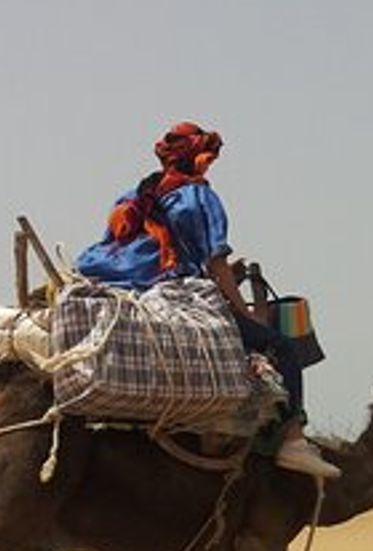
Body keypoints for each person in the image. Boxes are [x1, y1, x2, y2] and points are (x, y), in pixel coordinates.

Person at [75, 121, 337, 479]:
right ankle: (292, 442)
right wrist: (245, 312)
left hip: (115, 290)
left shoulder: (132, 198)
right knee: (283, 348)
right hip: (174, 291)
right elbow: (216, 263)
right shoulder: (200, 197)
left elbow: (118, 248)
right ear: (200, 159)